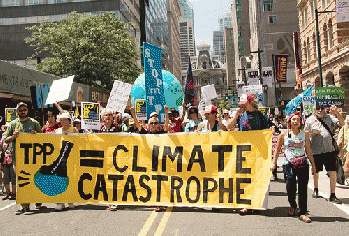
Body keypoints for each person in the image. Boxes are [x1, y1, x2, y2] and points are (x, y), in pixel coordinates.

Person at [226, 94, 270, 215]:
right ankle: (246, 204)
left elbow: (268, 132)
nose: (242, 106)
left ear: (250, 102)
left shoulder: (261, 116)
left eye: (244, 104)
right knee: (245, 179)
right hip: (244, 152)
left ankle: (256, 203)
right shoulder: (241, 116)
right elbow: (228, 127)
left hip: (258, 152)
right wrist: (236, 116)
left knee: (257, 179)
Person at [271, 112, 316, 223]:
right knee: (290, 188)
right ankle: (292, 205)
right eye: (293, 120)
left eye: (298, 120)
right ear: (290, 122)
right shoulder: (284, 135)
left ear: (301, 122)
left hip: (302, 163)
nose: (296, 122)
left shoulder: (304, 134)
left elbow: (308, 150)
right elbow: (277, 150)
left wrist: (314, 165)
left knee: (302, 189)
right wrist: (274, 163)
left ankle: (302, 213)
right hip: (289, 164)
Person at [3, 102, 43, 215]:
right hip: (18, 158)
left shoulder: (34, 123)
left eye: (24, 110)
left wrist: (36, 135)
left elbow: (44, 138)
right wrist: (13, 136)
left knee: (34, 179)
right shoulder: (13, 124)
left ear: (27, 111)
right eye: (20, 110)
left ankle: (37, 199)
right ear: (17, 112)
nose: (22, 112)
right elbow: (5, 139)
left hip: (33, 157)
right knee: (21, 180)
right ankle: (24, 205)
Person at [304, 105, 344, 203]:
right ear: (314, 109)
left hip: (329, 149)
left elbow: (342, 123)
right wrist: (312, 133)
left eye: (322, 109)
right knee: (316, 171)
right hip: (316, 149)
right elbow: (305, 134)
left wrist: (337, 112)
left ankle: (333, 194)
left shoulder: (330, 117)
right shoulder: (309, 120)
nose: (320, 111)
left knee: (332, 171)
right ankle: (316, 189)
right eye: (318, 109)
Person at [54, 112, 77, 211]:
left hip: (71, 158)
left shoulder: (74, 130)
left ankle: (70, 200)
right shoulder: (57, 131)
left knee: (70, 179)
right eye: (61, 120)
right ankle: (60, 201)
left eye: (65, 120)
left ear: (69, 121)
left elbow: (79, 140)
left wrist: (71, 135)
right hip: (60, 159)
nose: (63, 122)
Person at [1, 123, 16, 201]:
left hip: (13, 157)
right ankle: (7, 192)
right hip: (4, 159)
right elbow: (1, 146)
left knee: (13, 176)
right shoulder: (3, 137)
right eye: (6, 127)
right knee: (5, 177)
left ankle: (14, 193)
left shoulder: (14, 136)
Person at [337, 116, 349, 185]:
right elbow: (340, 142)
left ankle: (347, 179)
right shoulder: (343, 129)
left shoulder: (343, 129)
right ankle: (346, 179)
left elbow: (339, 142)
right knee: (346, 164)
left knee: (346, 164)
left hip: (345, 151)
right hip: (345, 150)